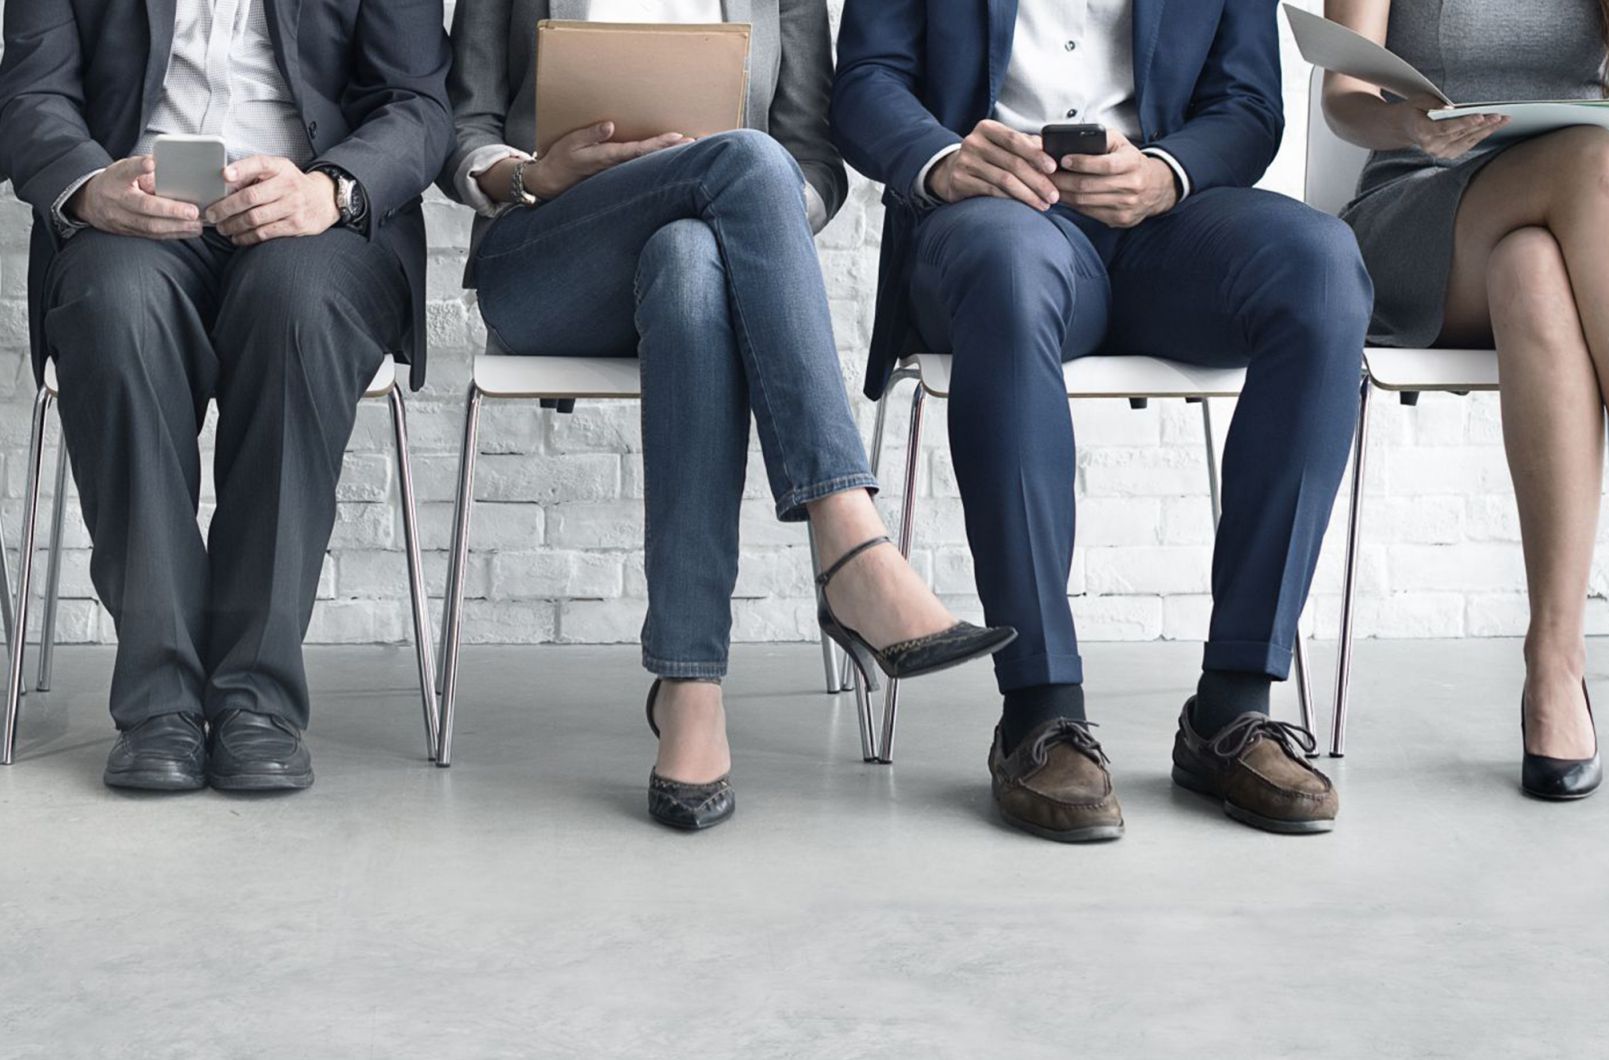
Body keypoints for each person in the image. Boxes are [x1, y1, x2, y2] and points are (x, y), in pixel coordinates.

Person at [442, 0, 1014, 831]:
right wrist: (534, 173)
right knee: (746, 160)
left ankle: (690, 686)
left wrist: (753, 218)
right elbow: (464, 130)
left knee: (691, 260)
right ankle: (850, 543)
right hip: (547, 257)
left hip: (707, 259)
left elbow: (814, 164)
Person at [831, 0, 1374, 841]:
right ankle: (1040, 713)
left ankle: (1233, 707)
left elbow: (1249, 104)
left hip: (1167, 232)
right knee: (1010, 272)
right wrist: (944, 160)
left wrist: (1164, 172)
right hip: (994, 222)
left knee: (1321, 269)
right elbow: (865, 82)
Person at [0, 0, 454, 792]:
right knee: (115, 312)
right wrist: (86, 185)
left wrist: (333, 189)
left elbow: (416, 101)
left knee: (295, 312)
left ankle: (257, 702)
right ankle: (160, 705)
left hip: (314, 223)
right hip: (130, 220)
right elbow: (30, 93)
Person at [1324, 0, 1609, 800]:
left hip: (1572, 227)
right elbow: (1344, 96)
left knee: (1532, 269)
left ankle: (1555, 666)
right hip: (1420, 205)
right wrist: (1412, 127)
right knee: (1598, 164)